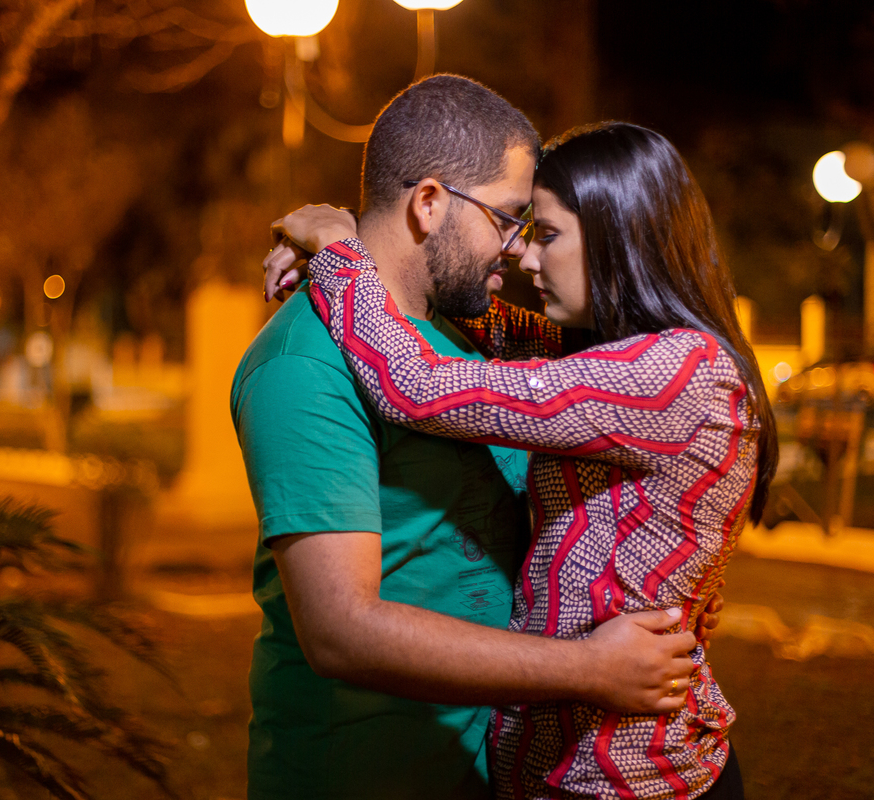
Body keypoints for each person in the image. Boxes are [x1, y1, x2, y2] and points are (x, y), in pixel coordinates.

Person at [233, 77, 722, 800]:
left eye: (538, 230)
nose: (520, 252)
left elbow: (415, 375)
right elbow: (339, 630)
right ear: (429, 203)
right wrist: (589, 668)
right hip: (363, 774)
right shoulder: (305, 362)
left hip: (496, 769)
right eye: (510, 218)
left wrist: (338, 248)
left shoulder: (472, 342)